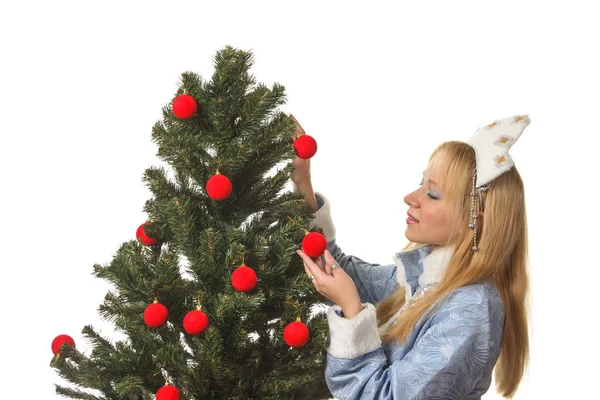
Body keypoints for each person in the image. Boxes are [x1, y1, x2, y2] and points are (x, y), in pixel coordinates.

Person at [291, 114, 530, 399]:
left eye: (432, 193)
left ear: (475, 217)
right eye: (421, 183)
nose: (410, 197)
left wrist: (352, 310)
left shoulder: (472, 309)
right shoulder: (425, 277)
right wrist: (302, 179)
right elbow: (343, 273)